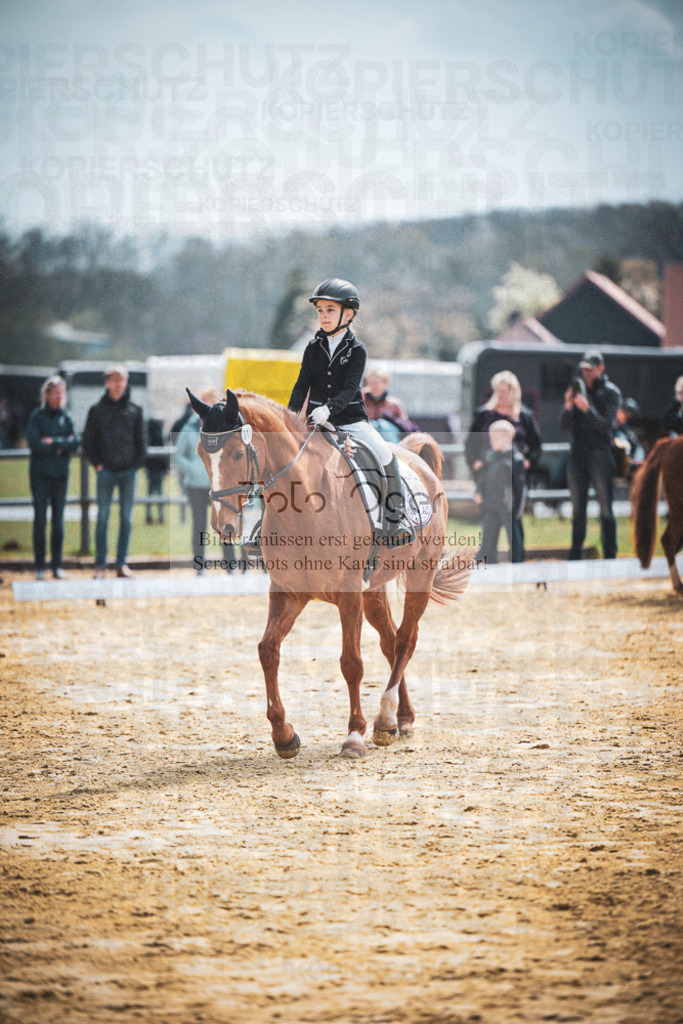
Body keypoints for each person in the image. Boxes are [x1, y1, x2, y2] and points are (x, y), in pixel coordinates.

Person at [288, 278, 413, 545]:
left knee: (385, 454)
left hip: (351, 421)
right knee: (282, 459)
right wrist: (289, 415)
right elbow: (301, 385)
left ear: (348, 313)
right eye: (320, 310)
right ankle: (268, 527)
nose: (323, 315)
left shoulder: (357, 349)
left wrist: (328, 409)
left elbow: (349, 389)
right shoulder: (312, 348)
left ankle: (395, 517)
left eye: (330, 310)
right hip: (315, 423)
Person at [465, 370, 541, 557]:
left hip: (514, 475)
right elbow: (470, 443)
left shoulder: (524, 416)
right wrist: (475, 462)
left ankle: (517, 558)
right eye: (497, 391)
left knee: (513, 517)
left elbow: (536, 445)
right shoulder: (484, 414)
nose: (500, 395)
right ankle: (489, 558)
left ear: (513, 392)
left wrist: (529, 462)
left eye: (505, 391)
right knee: (490, 519)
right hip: (489, 472)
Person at [82, 364, 146, 578]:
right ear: (107, 382)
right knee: (102, 518)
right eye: (116, 379)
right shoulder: (96, 410)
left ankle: (121, 563)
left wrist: (134, 465)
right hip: (105, 472)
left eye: (123, 380)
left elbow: (142, 443)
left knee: (126, 519)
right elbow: (88, 440)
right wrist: (98, 464)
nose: (120, 384)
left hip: (128, 472)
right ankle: (100, 564)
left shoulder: (135, 410)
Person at [560, 348, 622, 560]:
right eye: (584, 369)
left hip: (600, 454)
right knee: (578, 508)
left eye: (590, 369)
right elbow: (564, 426)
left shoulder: (611, 392)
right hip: (578, 454)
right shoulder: (578, 391)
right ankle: (576, 553)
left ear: (600, 368)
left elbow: (607, 427)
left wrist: (588, 409)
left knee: (606, 507)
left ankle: (610, 553)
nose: (586, 373)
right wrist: (568, 406)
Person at [173, 388, 241, 576]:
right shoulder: (189, 428)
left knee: (225, 524)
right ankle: (199, 565)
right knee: (199, 525)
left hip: (219, 485)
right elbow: (179, 456)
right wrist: (194, 469)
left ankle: (230, 564)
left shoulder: (226, 428)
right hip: (196, 485)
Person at [26, 376, 79, 580]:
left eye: (62, 393)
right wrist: (61, 444)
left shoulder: (67, 418)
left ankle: (57, 565)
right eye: (56, 392)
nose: (59, 396)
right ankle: (40, 566)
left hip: (60, 475)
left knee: (58, 522)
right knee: (40, 520)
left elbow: (75, 442)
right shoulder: (36, 417)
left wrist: (53, 442)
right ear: (47, 394)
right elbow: (34, 443)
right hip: (40, 475)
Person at [474, 419, 527, 564]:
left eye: (494, 438)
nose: (491, 441)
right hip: (491, 503)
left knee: (513, 536)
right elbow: (483, 477)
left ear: (507, 438)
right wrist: (479, 491)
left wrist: (518, 509)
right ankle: (485, 560)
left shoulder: (516, 460)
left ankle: (517, 562)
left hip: (508, 506)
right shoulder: (490, 456)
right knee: (488, 535)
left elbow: (520, 487)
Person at [362, 368, 419, 443]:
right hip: (369, 435)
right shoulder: (362, 401)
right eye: (370, 383)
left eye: (376, 383)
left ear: (385, 383)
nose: (373, 386)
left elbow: (405, 423)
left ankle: (392, 452)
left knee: (382, 425)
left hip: (389, 436)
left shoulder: (393, 403)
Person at [144, 418, 169, 524]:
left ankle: (148, 515)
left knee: (149, 493)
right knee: (159, 493)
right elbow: (164, 456)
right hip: (159, 470)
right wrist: (166, 469)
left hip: (150, 469)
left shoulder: (148, 438)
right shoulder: (160, 437)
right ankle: (160, 516)